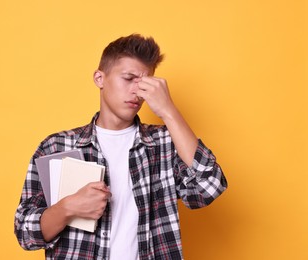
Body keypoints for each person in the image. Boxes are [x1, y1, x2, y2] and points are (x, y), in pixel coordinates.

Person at [14, 34, 228, 260]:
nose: (137, 91)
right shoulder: (57, 146)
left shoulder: (165, 144)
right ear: (99, 78)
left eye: (146, 83)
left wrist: (169, 111)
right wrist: (67, 208)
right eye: (129, 78)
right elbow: (25, 234)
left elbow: (208, 186)